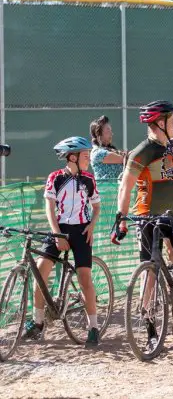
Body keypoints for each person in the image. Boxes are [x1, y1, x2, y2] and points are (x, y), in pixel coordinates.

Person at [115, 100, 173, 352]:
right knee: (149, 275)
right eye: (172, 120)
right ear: (160, 123)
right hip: (148, 218)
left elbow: (167, 182)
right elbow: (125, 186)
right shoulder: (141, 152)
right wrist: (120, 218)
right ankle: (150, 331)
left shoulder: (169, 149)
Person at [24, 137, 102, 347]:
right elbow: (50, 208)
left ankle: (93, 327)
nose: (89, 159)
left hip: (81, 230)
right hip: (58, 229)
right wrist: (57, 235)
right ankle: (38, 322)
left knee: (84, 277)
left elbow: (96, 208)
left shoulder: (89, 179)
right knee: (40, 272)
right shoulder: (55, 178)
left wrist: (91, 226)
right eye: (86, 156)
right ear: (73, 157)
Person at [89, 115, 127, 180]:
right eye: (108, 130)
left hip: (116, 189)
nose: (111, 134)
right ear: (98, 134)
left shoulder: (109, 150)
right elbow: (126, 159)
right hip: (105, 190)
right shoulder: (98, 153)